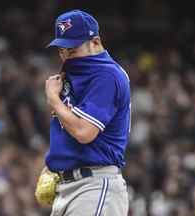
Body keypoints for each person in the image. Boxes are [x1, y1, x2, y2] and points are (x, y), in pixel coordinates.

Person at [44, 10, 131, 216]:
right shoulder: (76, 74)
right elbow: (65, 130)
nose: (66, 56)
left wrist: (54, 100)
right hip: (71, 187)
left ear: (95, 42)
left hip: (95, 186)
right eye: (61, 50)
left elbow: (84, 132)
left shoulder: (106, 75)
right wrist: (55, 166)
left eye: (72, 50)